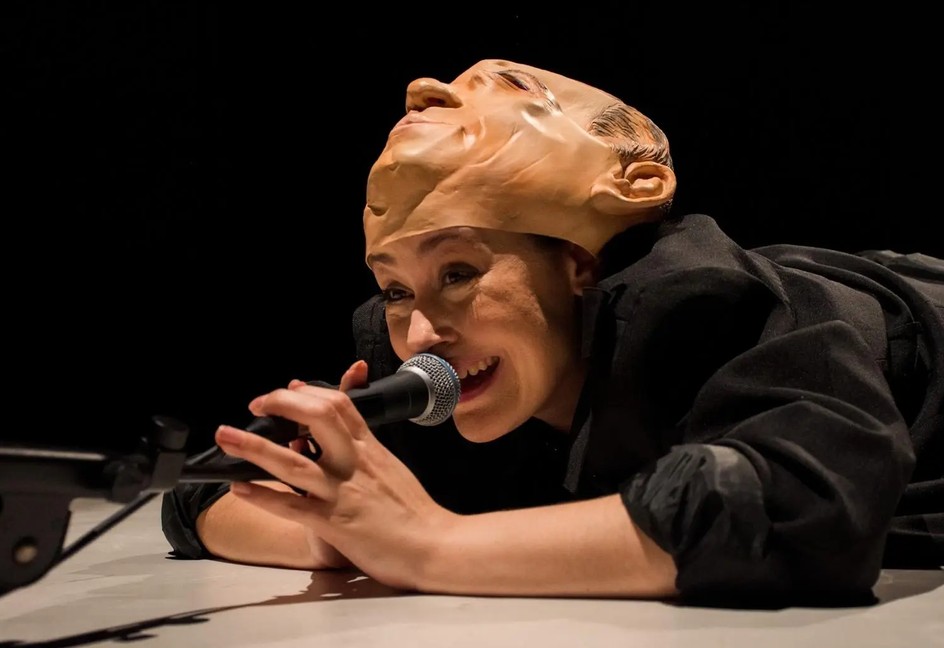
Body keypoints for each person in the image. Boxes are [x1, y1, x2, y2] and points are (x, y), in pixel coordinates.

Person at [162, 58, 943, 605]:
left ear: (577, 264)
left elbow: (797, 511)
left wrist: (427, 546)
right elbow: (202, 495)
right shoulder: (423, 363)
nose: (421, 332)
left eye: (459, 272)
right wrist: (330, 532)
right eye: (396, 288)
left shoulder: (705, 312)